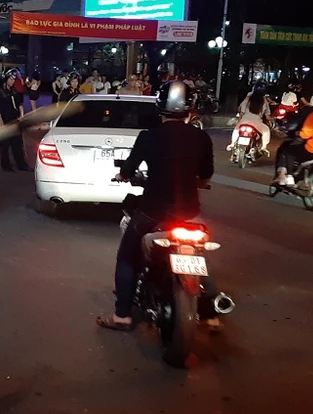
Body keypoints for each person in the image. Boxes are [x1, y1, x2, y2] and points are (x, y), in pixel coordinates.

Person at [97, 81, 216, 331]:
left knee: (127, 256)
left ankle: (122, 315)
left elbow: (129, 169)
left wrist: (123, 175)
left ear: (160, 106)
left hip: (153, 211)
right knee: (199, 256)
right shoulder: (201, 138)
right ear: (189, 107)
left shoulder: (148, 137)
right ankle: (209, 315)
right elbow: (206, 175)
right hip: (189, 213)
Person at [0, 69, 29, 172]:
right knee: (5, 145)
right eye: (10, 79)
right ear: (5, 79)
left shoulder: (14, 90)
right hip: (5, 120)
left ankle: (21, 164)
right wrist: (1, 122)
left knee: (17, 143)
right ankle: (6, 165)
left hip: (15, 119)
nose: (12, 81)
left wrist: (21, 115)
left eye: (13, 79)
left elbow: (19, 104)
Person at [228, 84, 271, 155]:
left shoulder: (247, 100)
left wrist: (239, 121)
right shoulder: (264, 102)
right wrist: (273, 118)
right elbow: (267, 116)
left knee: (236, 129)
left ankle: (232, 143)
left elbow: (241, 112)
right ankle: (264, 147)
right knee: (266, 130)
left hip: (244, 121)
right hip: (257, 123)